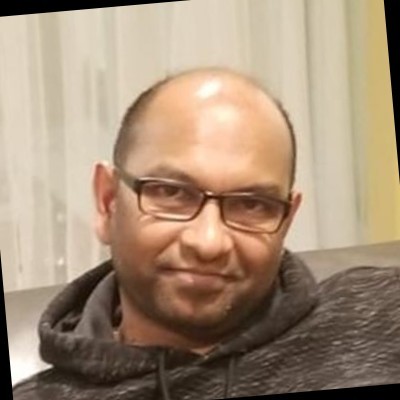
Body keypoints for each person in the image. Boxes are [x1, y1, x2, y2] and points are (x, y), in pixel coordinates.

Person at [13, 68, 400, 400]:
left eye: (252, 204)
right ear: (107, 201)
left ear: (286, 219)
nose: (208, 242)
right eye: (171, 193)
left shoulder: (381, 311)